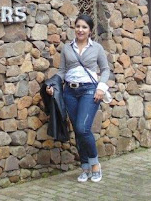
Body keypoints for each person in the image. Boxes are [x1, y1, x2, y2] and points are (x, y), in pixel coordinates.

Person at [46, 13, 111, 183]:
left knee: (83, 128)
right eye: (78, 26)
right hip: (70, 92)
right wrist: (53, 85)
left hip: (90, 91)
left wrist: (101, 87)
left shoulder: (96, 48)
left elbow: (105, 70)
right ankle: (85, 166)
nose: (80, 30)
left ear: (90, 31)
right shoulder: (67, 48)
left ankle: (95, 164)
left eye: (84, 27)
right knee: (78, 131)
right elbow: (61, 71)